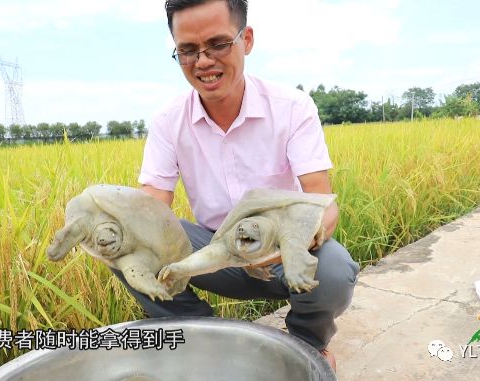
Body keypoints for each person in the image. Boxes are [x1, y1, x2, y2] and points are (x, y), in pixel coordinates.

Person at [110, 0, 360, 371]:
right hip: (214, 251)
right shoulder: (168, 121)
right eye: (188, 50)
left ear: (247, 39)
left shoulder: (292, 107)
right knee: (124, 240)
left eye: (218, 44)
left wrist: (284, 248)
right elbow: (151, 209)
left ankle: (306, 344)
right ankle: (206, 339)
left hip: (281, 251)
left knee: (335, 270)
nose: (204, 61)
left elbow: (321, 203)